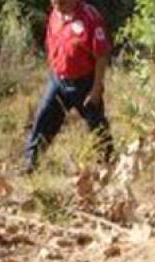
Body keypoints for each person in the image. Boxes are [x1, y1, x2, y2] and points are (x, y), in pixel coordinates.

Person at [22, 0, 115, 174]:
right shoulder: (55, 14)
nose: (57, 6)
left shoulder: (90, 17)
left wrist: (96, 89)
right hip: (59, 81)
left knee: (97, 126)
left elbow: (101, 55)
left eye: (62, 3)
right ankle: (30, 163)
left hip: (85, 83)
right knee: (43, 119)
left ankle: (107, 164)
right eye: (55, 3)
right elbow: (52, 43)